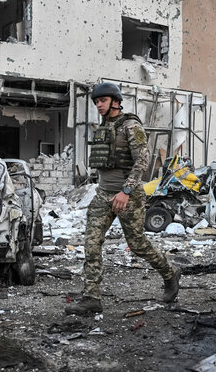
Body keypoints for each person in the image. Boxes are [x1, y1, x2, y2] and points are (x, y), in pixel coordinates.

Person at [65, 82, 181, 316]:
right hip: (104, 194)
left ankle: (170, 273)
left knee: (137, 244)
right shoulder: (104, 127)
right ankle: (91, 298)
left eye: (103, 101)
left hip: (128, 195)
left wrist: (126, 191)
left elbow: (143, 160)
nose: (98, 105)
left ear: (115, 102)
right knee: (91, 242)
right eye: (96, 102)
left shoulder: (131, 125)